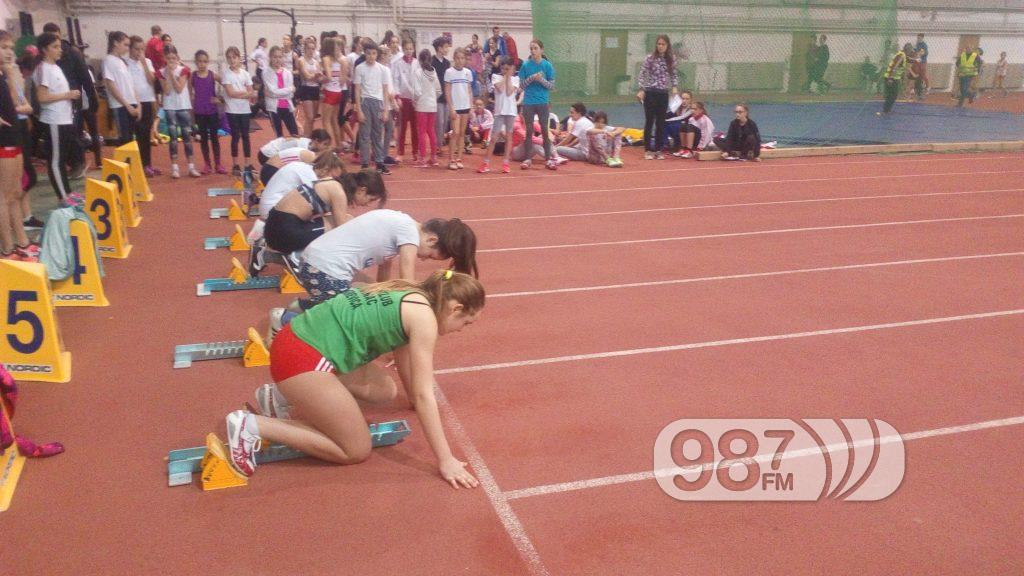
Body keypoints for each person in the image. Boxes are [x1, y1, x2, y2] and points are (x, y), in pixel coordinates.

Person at [224, 270, 484, 491]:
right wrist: (445, 459)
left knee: (384, 390)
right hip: (300, 357)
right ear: (455, 308)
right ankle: (251, 425)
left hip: (296, 339)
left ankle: (278, 396)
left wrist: (415, 401)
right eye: (467, 323)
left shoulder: (412, 294)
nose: (462, 329)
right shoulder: (425, 320)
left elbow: (408, 368)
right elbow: (424, 394)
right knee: (355, 449)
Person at [294, 211, 478, 309]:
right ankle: (288, 318)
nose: (422, 259)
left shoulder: (401, 228)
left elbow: (384, 275)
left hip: (318, 265)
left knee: (355, 300)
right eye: (429, 255)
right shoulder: (408, 233)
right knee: (345, 314)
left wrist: (382, 298)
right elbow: (407, 281)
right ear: (431, 240)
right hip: (324, 269)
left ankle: (300, 307)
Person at [264, 168, 387, 254]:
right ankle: (303, 259)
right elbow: (343, 230)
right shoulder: (338, 192)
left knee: (343, 220)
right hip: (281, 234)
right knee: (347, 224)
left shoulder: (331, 182)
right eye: (371, 199)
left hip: (274, 227)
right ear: (362, 190)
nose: (368, 204)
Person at [0, 30, 35, 261]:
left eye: (11, 48)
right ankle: (7, 248)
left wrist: (10, 74)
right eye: (4, 48)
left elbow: (15, 103)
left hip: (14, 137)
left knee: (15, 193)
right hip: (2, 140)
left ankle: (22, 242)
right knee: (3, 196)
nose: (9, 53)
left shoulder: (5, 75)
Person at [34, 32, 81, 204]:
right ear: (44, 50)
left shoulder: (55, 67)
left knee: (62, 159)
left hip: (64, 119)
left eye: (59, 46)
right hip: (53, 120)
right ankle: (63, 197)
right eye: (55, 47)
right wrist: (67, 95)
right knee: (56, 161)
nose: (59, 50)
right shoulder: (43, 69)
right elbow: (42, 97)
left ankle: (67, 192)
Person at [157, 46, 199, 178]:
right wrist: (168, 73)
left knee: (187, 137)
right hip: (170, 107)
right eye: (168, 58)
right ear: (165, 58)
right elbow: (167, 91)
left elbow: (179, 89)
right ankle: (175, 168)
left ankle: (191, 167)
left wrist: (171, 74)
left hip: (183, 106)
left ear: (178, 58)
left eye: (174, 58)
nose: (171, 61)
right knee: (173, 138)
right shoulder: (161, 72)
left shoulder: (183, 70)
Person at [353, 42, 393, 175]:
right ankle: (364, 163)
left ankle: (379, 162)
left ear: (377, 54)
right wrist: (359, 109)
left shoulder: (383, 70)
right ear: (365, 54)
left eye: (374, 53)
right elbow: (357, 90)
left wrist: (386, 110)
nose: (371, 56)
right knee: (364, 134)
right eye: (368, 53)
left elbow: (385, 90)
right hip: (365, 102)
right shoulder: (359, 68)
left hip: (378, 103)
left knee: (377, 134)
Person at [518, 39, 556, 170]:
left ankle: (548, 159)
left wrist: (541, 79)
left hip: (542, 102)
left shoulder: (547, 65)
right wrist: (532, 78)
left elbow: (551, 86)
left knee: (545, 130)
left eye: (535, 48)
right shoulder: (525, 65)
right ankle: (527, 159)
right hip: (528, 102)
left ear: (541, 50)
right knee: (529, 131)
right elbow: (521, 86)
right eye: (531, 49)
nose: (533, 51)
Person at [477, 57, 518, 174]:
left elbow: (509, 92)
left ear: (512, 68)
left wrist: (508, 77)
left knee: (509, 137)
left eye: (508, 68)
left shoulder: (516, 79)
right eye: (503, 68)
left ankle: (506, 163)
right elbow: (500, 89)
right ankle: (486, 163)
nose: (505, 70)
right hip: (499, 112)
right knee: (494, 138)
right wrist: (505, 76)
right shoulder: (495, 77)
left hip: (511, 111)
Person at [126, 36, 159, 177]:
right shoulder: (125, 63)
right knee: (137, 135)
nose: (139, 52)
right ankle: (137, 166)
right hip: (134, 102)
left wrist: (144, 63)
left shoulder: (148, 62)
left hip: (147, 101)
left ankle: (147, 164)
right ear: (130, 49)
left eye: (142, 49)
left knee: (146, 135)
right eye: (136, 49)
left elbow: (152, 81)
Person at [221, 46, 255, 176]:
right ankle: (235, 164)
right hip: (232, 110)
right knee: (235, 136)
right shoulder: (226, 74)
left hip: (244, 110)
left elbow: (251, 92)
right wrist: (244, 93)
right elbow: (230, 93)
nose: (232, 60)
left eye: (234, 57)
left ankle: (247, 163)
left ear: (238, 58)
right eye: (229, 58)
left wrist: (240, 94)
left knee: (246, 136)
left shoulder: (245, 74)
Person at [103, 31, 140, 147]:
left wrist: (138, 104)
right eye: (125, 45)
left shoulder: (122, 62)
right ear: (115, 43)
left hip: (131, 104)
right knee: (124, 139)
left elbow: (131, 85)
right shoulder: (108, 60)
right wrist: (127, 105)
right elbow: (111, 86)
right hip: (120, 106)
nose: (127, 48)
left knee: (131, 139)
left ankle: (130, 160)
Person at [191, 49, 225, 175]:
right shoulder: (193, 76)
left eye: (205, 61)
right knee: (203, 139)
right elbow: (189, 94)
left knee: (215, 138)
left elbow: (226, 84)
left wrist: (220, 99)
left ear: (208, 62)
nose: (202, 64)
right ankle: (207, 164)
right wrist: (191, 110)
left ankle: (218, 164)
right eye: (200, 61)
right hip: (199, 112)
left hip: (212, 112)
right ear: (196, 62)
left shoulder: (212, 75)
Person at [257, 130, 332, 185]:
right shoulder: (302, 146)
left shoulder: (309, 144)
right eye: (325, 144)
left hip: (270, 153)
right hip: (266, 154)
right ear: (316, 141)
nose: (327, 147)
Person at [412, 48, 441, 168]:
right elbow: (438, 90)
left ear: (419, 60)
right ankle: (433, 157)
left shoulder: (418, 72)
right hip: (432, 106)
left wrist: (415, 101)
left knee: (422, 132)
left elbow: (417, 92)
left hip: (422, 106)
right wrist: (433, 99)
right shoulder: (434, 72)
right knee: (431, 131)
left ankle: (422, 158)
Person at [444, 48, 473, 170]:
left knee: (462, 133)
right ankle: (451, 159)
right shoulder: (449, 72)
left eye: (462, 58)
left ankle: (459, 158)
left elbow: (469, 91)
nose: (460, 60)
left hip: (465, 107)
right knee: (455, 133)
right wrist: (451, 107)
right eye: (458, 58)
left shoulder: (468, 72)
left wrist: (471, 107)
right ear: (454, 59)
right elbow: (447, 91)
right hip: (455, 108)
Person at [263, 46, 299, 138]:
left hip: (287, 106)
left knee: (295, 133)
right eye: (275, 57)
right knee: (279, 136)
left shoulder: (287, 72)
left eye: (280, 57)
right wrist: (289, 89)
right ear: (270, 57)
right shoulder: (266, 72)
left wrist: (275, 94)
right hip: (274, 108)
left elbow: (290, 95)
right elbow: (273, 91)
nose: (277, 59)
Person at [319, 38, 348, 156]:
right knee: (334, 120)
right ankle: (339, 146)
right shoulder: (340, 61)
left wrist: (320, 78)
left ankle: (330, 148)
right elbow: (342, 79)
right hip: (338, 91)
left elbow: (329, 76)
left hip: (330, 91)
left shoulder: (326, 58)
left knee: (326, 121)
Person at [391, 39, 417, 163]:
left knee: (415, 127)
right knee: (402, 128)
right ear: (403, 49)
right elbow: (395, 81)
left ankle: (415, 152)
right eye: (406, 49)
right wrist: (397, 97)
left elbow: (419, 80)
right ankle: (400, 152)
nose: (409, 51)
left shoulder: (417, 63)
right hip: (403, 99)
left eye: (411, 49)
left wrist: (418, 97)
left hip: (414, 100)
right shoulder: (397, 63)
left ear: (414, 49)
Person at [296, 37, 323, 137]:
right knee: (309, 117)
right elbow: (306, 76)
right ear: (305, 49)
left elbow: (320, 78)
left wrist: (320, 77)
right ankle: (305, 138)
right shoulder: (301, 60)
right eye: (309, 48)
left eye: (313, 49)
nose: (311, 51)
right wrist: (315, 76)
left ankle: (308, 136)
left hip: (315, 89)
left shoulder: (316, 62)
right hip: (306, 88)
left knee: (313, 118)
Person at [431, 37, 452, 160]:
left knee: (444, 122)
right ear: (439, 48)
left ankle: (440, 142)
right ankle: (437, 145)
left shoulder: (447, 63)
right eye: (445, 47)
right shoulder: (432, 62)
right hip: (436, 97)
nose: (447, 49)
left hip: (446, 96)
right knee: (439, 122)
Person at [878, 44, 910, 116]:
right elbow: (895, 67)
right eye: (910, 50)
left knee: (892, 95)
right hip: (891, 78)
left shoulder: (902, 54)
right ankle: (885, 111)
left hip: (893, 77)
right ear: (908, 50)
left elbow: (905, 63)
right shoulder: (901, 56)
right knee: (892, 95)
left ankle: (887, 110)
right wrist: (890, 78)